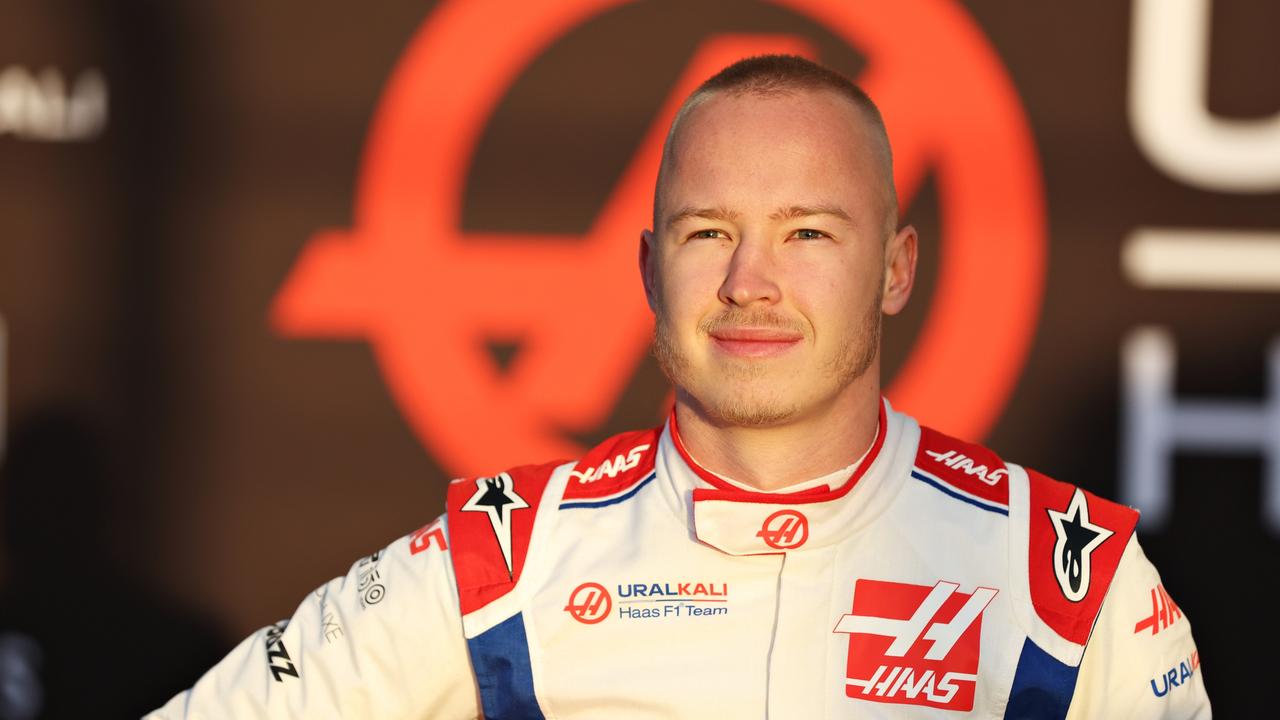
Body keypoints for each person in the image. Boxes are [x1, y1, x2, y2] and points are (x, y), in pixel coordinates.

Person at [149, 55, 1210, 719]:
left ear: (895, 267)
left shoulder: (1065, 581)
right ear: (650, 265)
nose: (751, 284)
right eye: (710, 234)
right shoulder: (501, 565)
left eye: (806, 232)